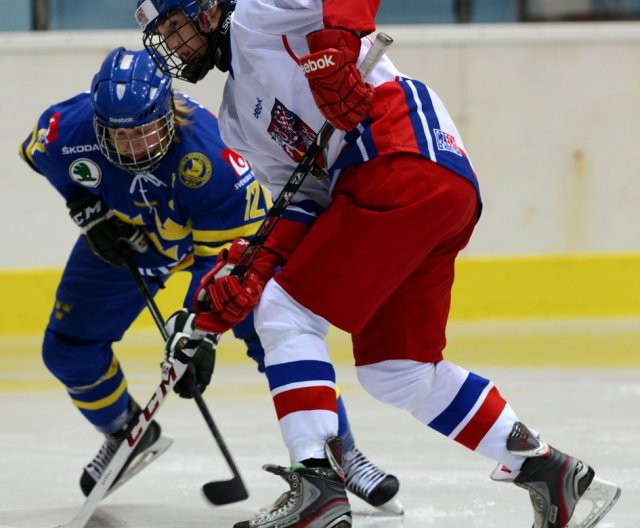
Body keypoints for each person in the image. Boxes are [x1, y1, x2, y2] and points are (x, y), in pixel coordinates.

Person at [136, 1, 622, 527]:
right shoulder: (235, 121)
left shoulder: (261, 9)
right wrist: (247, 268)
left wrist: (334, 49)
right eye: (161, 32)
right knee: (398, 371)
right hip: (422, 187)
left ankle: (316, 484)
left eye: (174, 25)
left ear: (206, 9)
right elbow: (304, 206)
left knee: (283, 314)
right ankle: (548, 471)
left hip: (398, 150)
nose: (171, 42)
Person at [19, 46, 401, 510]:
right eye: (119, 137)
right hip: (136, 239)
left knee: (275, 336)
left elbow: (220, 265)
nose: (133, 147)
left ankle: (340, 453)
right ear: (98, 125)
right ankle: (125, 432)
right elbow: (41, 155)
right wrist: (88, 210)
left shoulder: (214, 161)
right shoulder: (69, 131)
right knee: (66, 349)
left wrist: (198, 335)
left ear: (169, 113)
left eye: (143, 132)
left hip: (220, 247)